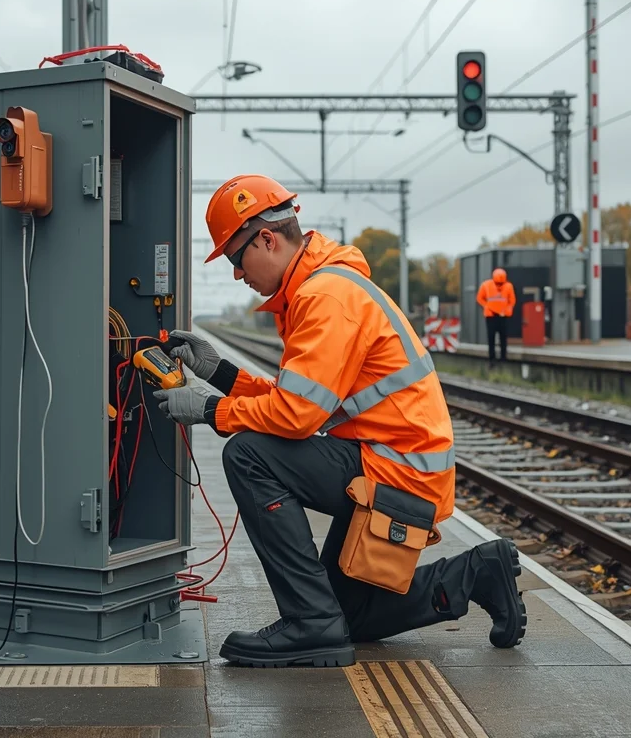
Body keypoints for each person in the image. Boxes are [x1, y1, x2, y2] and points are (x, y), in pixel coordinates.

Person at [152, 174, 526, 668]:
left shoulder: (325, 298)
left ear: (266, 238)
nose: (238, 274)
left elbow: (296, 416)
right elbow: (299, 399)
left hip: (396, 474)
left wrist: (209, 411)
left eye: (235, 258)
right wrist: (220, 374)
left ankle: (308, 623)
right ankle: (478, 573)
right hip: (395, 467)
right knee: (350, 616)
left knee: (247, 454)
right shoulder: (321, 287)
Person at [476, 268, 516, 364]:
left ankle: (503, 358)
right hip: (491, 316)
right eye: (498, 283)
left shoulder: (508, 286)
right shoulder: (486, 285)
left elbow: (512, 300)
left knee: (503, 338)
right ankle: (492, 359)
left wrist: (508, 310)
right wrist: (486, 306)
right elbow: (479, 298)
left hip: (503, 316)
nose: (499, 286)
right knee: (491, 338)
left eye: (501, 284)